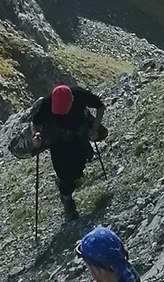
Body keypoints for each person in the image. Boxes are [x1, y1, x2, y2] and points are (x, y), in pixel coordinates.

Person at [27, 79, 107, 221]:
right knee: (64, 173)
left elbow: (100, 106)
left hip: (78, 131)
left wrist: (95, 128)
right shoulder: (48, 102)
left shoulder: (80, 94)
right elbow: (35, 122)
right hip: (56, 137)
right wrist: (36, 135)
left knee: (79, 164)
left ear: (72, 100)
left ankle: (72, 180)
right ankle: (67, 201)